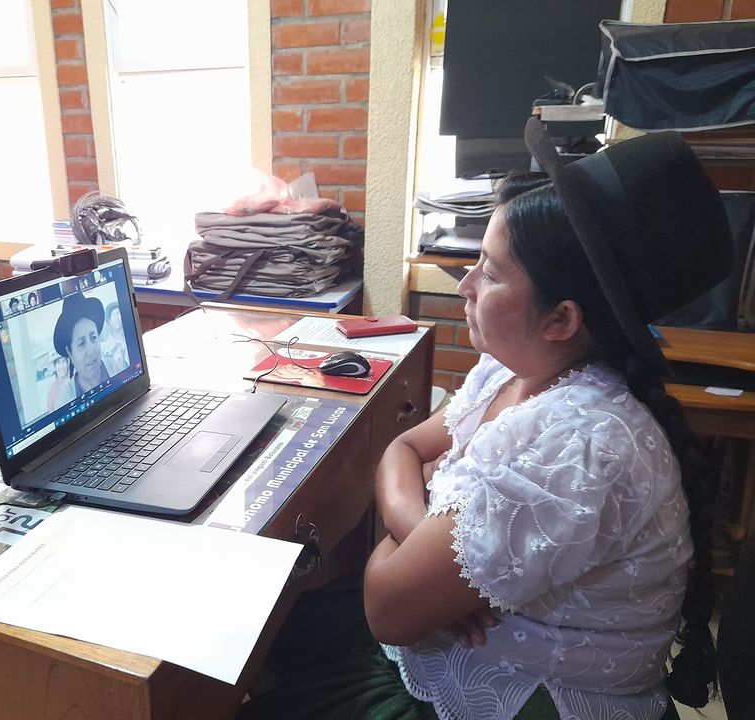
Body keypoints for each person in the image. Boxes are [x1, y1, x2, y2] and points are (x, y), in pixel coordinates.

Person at [238, 119, 734, 720]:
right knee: (281, 625)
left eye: (492, 273)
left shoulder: (573, 445)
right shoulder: (514, 371)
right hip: (447, 635)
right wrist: (425, 535)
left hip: (520, 694)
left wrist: (418, 557)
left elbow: (387, 611)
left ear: (562, 321)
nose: (467, 284)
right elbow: (401, 450)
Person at [53, 292, 114, 397]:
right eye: (81, 343)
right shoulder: (64, 399)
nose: (91, 351)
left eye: (93, 338)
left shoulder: (118, 367)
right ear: (70, 353)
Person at [100, 301, 129, 373]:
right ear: (109, 321)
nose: (117, 318)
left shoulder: (129, 337)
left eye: (118, 313)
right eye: (113, 314)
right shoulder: (107, 346)